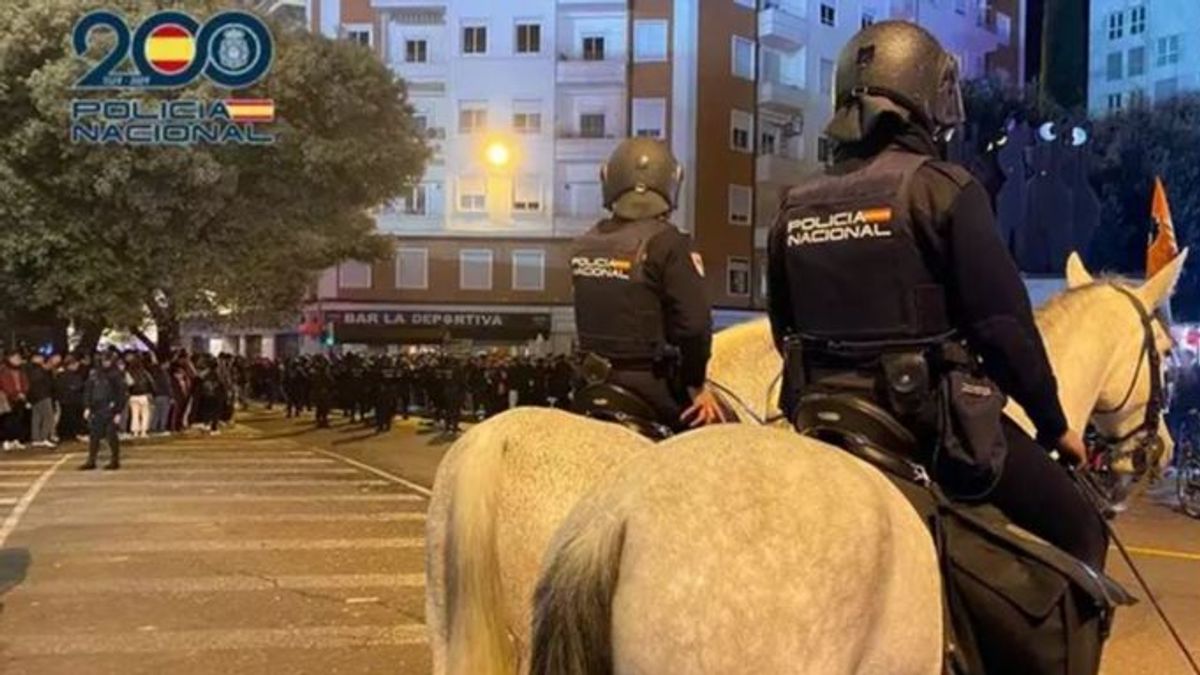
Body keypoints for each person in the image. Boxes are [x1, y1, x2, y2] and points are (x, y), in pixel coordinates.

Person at [765, 22, 1105, 570]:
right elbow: (1003, 328)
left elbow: (784, 330)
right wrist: (1054, 425)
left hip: (820, 418)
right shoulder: (944, 189)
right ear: (927, 97)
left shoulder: (794, 205)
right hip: (925, 427)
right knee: (1081, 528)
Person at [570, 137, 724, 432]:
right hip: (651, 388)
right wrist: (695, 384)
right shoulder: (670, 243)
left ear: (608, 180)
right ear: (672, 183)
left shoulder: (583, 244)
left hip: (590, 384)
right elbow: (694, 327)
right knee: (722, 447)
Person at [81, 350, 127, 470]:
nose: (105, 362)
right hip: (96, 408)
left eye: (108, 360)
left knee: (111, 436)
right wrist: (87, 407)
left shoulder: (116, 375)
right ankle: (91, 460)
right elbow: (88, 391)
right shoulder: (94, 374)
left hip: (110, 408)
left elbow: (121, 394)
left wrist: (118, 411)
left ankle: (115, 460)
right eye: (104, 360)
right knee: (94, 436)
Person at [0, 349, 29, 451]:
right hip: (8, 399)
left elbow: (25, 382)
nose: (19, 360)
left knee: (19, 420)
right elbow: (4, 384)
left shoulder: (21, 370)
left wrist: (23, 393)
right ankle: (7, 441)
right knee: (8, 421)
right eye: (16, 358)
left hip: (20, 398)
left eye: (19, 358)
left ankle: (16, 440)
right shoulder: (3, 370)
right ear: (10, 358)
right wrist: (16, 394)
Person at [26, 353, 56, 448]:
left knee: (37, 417)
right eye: (39, 357)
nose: (41, 359)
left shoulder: (32, 369)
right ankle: (43, 438)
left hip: (36, 396)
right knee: (48, 416)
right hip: (42, 395)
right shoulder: (36, 369)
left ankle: (36, 438)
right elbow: (39, 382)